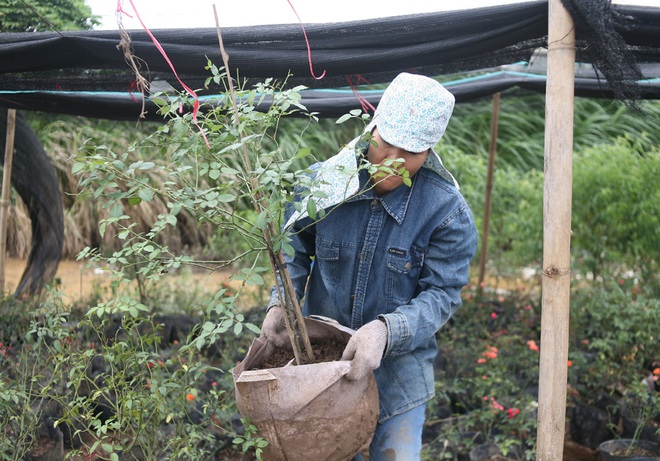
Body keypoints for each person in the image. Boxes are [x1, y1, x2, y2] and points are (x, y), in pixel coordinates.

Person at [262, 72, 478, 460]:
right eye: (387, 145)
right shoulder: (322, 185)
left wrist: (385, 331)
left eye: (410, 154)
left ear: (429, 150)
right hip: (320, 373)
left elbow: (442, 294)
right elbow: (292, 250)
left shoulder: (446, 213)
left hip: (398, 375)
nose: (393, 163)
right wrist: (282, 301)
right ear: (372, 128)